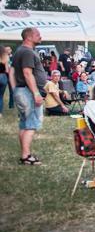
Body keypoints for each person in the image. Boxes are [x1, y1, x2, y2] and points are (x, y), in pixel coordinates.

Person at [12, 27, 47, 165]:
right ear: (29, 37)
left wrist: (16, 89)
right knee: (31, 125)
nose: (40, 37)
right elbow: (27, 73)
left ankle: (25, 154)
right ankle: (26, 156)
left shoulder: (20, 51)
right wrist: (36, 93)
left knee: (24, 124)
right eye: (38, 34)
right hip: (28, 92)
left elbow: (13, 72)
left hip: (22, 90)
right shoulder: (27, 52)